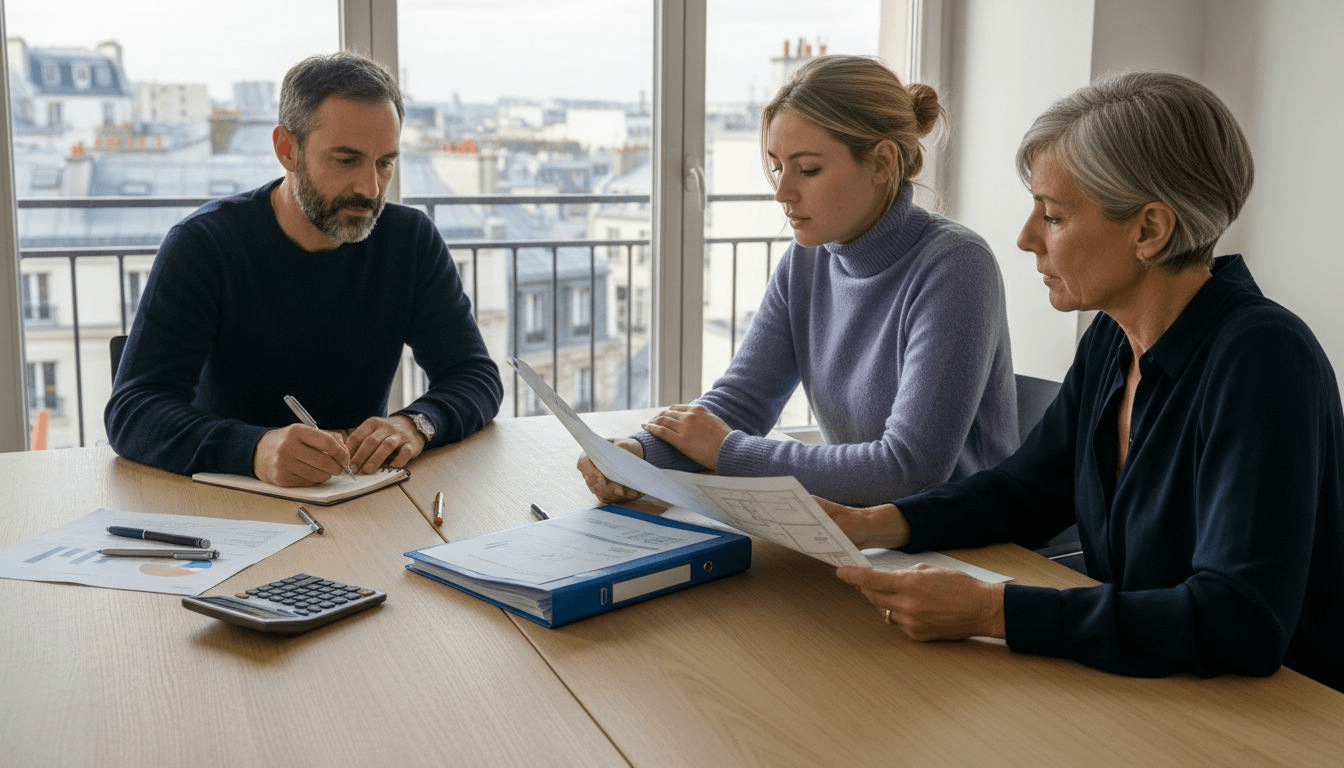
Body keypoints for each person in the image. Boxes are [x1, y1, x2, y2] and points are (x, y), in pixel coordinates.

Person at [822, 72, 1344, 692]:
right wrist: (878, 523)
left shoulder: (1263, 358)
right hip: (1154, 690)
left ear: (1149, 230)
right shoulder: (1112, 338)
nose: (1025, 238)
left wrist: (994, 610)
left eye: (1053, 215)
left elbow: (1239, 619)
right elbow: (1027, 492)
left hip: (1281, 721)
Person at [579, 55, 1017, 506]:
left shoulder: (957, 266)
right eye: (777, 166)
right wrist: (640, 455)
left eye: (807, 169)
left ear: (882, 162)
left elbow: (905, 471)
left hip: (974, 551)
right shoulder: (806, 260)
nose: (782, 192)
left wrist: (727, 451)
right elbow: (743, 403)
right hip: (869, 535)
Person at [105, 51, 502, 486]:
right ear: (286, 149)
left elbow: (475, 375)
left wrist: (418, 423)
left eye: (385, 162)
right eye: (346, 160)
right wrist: (253, 449)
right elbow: (133, 410)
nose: (370, 189)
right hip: (226, 506)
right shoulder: (204, 244)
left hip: (356, 497)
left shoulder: (409, 240)